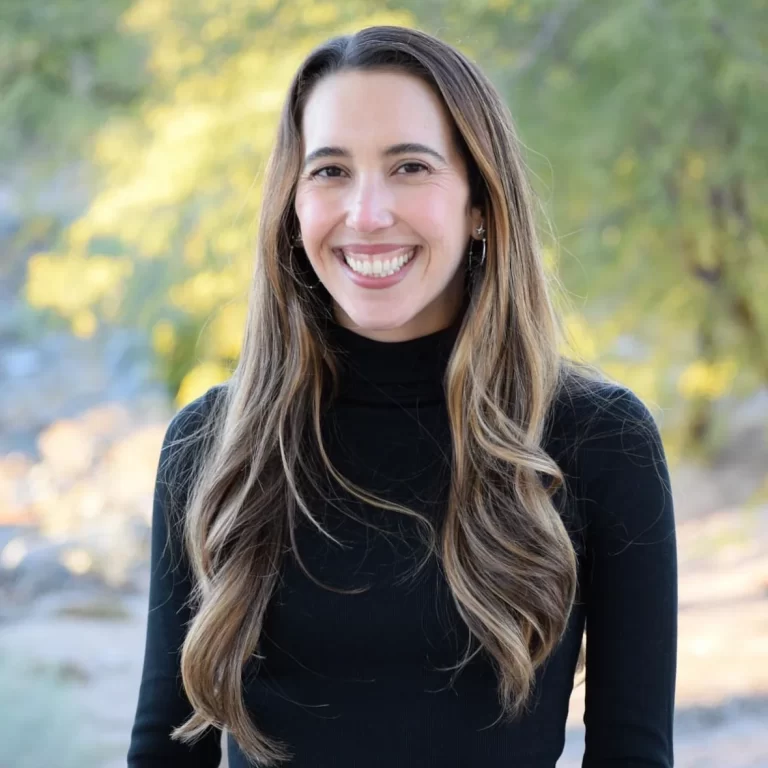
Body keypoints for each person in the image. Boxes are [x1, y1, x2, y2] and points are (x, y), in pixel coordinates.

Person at [127, 24, 677, 768]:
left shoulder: (596, 439)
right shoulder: (212, 445)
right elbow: (166, 747)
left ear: (480, 204)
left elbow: (634, 754)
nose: (366, 212)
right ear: (292, 207)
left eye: (409, 167)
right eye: (329, 172)